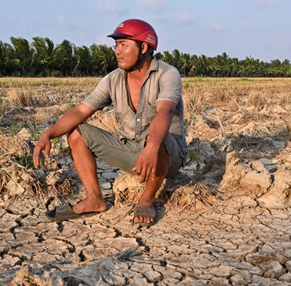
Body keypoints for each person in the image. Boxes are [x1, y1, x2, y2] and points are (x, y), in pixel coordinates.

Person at [33, 19, 188, 226]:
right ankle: (94, 199)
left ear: (143, 47)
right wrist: (48, 134)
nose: (117, 51)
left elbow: (165, 112)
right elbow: (80, 111)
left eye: (124, 44)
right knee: (77, 132)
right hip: (131, 150)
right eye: (116, 45)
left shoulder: (167, 74)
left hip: (166, 156)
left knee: (157, 135)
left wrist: (151, 146)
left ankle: (147, 199)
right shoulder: (113, 79)